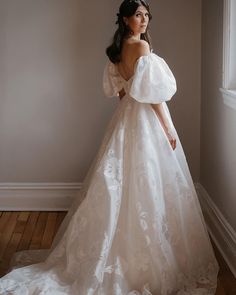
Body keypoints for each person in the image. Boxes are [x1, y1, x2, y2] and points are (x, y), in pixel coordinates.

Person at [0, 0, 219, 294]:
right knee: (149, 182)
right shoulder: (141, 49)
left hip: (127, 115)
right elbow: (154, 96)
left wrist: (128, 114)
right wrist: (166, 128)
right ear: (126, 20)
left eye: (146, 15)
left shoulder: (116, 52)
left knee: (124, 181)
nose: (144, 20)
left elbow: (121, 93)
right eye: (138, 15)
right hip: (146, 117)